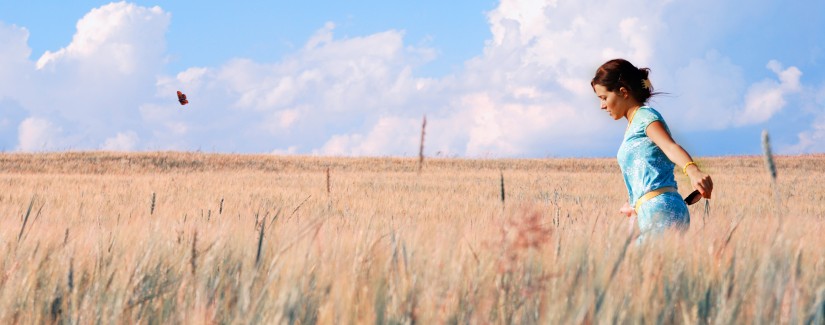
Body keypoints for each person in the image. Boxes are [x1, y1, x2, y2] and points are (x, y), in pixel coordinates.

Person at [591, 58, 713, 239]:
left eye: (604, 98)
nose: (602, 105)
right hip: (652, 210)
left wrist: (693, 171)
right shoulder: (633, 125)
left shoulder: (645, 116)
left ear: (623, 92)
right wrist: (635, 204)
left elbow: (670, 147)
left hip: (661, 209)